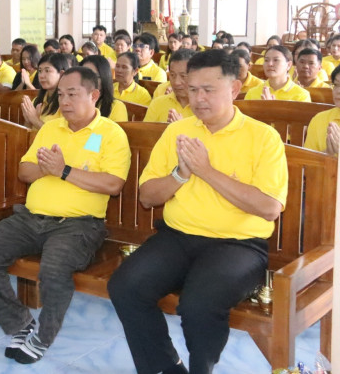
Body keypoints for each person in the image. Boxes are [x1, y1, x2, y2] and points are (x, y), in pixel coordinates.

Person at [108, 50, 288, 374]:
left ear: (235, 89)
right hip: (177, 237)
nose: (198, 98)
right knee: (125, 286)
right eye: (192, 89)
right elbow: (147, 197)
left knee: (199, 304)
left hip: (238, 246)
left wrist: (206, 170)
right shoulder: (178, 132)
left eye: (208, 89)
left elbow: (269, 207)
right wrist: (181, 174)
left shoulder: (263, 137)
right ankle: (166, 367)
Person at [0, 67, 130, 364]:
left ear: (94, 95)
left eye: (72, 94)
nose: (64, 101)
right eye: (61, 94)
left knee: (53, 270)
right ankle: (20, 323)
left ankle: (43, 337)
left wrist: (63, 170)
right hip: (31, 218)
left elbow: (113, 184)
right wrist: (49, 169)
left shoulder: (111, 134)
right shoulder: (50, 128)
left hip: (78, 225)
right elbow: (24, 171)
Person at [22, 53, 70, 130]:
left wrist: (35, 120)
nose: (41, 75)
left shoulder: (67, 103)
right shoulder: (37, 100)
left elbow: (60, 135)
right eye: (40, 71)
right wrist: (28, 121)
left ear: (61, 74)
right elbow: (27, 132)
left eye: (47, 71)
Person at [144, 49, 195, 123]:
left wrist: (180, 126)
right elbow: (146, 130)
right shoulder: (157, 103)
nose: (176, 82)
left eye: (183, 76)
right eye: (172, 75)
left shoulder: (206, 108)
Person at [245, 45, 311, 102]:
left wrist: (271, 106)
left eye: (276, 60)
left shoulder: (301, 95)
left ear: (288, 65)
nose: (270, 64)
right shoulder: (252, 93)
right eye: (266, 60)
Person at [305, 66, 340, 154]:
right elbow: (308, 160)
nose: (338, 91)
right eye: (336, 85)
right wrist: (328, 153)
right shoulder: (319, 120)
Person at [82, 55, 128, 121]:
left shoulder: (116, 107)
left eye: (93, 76)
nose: (86, 81)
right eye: (83, 75)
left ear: (104, 78)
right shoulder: (72, 103)